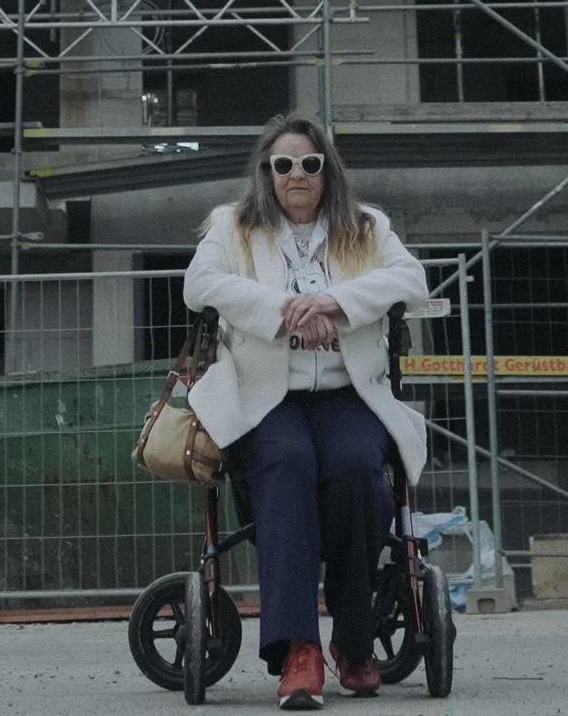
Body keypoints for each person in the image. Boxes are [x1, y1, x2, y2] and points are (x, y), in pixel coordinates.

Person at [184, 113, 429, 710]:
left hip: (348, 392)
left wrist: (335, 302)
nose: (297, 175)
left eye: (310, 164)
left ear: (327, 172)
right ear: (267, 174)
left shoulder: (366, 226)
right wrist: (286, 308)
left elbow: (411, 279)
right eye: (284, 165)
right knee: (288, 465)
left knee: (353, 471)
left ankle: (353, 644)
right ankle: (299, 650)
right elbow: (201, 283)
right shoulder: (233, 225)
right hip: (267, 394)